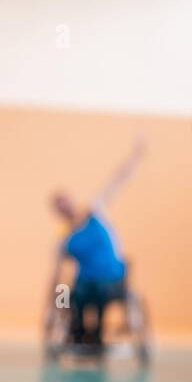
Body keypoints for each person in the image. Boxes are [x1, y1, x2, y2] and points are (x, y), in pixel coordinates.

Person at [48, 138, 148, 347]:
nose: (64, 207)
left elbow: (117, 182)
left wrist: (135, 157)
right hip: (85, 285)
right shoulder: (64, 240)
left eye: (65, 201)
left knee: (99, 292)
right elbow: (56, 276)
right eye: (59, 206)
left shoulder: (95, 211)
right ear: (57, 213)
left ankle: (96, 334)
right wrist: (52, 307)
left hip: (113, 281)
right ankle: (78, 332)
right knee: (67, 292)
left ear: (72, 200)